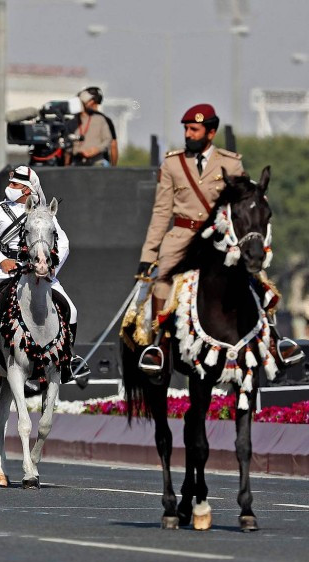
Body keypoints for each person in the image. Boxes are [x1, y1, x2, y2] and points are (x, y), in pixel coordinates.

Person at [137, 103, 302, 373]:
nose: (188, 134)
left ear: (210, 133)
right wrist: (148, 255)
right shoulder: (172, 163)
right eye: (186, 129)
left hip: (220, 237)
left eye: (194, 129)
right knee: (163, 283)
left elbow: (247, 201)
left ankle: (274, 339)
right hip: (181, 235)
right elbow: (161, 212)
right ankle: (159, 346)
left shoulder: (231, 162)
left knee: (256, 279)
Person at [0, 166, 90, 381]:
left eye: (14, 185)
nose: (9, 188)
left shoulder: (43, 214)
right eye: (10, 184)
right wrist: (2, 261)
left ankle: (67, 361)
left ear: (27, 190)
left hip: (36, 270)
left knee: (71, 310)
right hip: (1, 270)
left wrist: (53, 265)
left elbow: (63, 242)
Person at [69, 87, 114, 167]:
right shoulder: (71, 123)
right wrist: (80, 152)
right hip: (78, 162)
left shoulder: (100, 119)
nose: (93, 104)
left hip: (97, 161)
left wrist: (95, 150)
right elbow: (68, 145)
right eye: (90, 102)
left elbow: (108, 140)